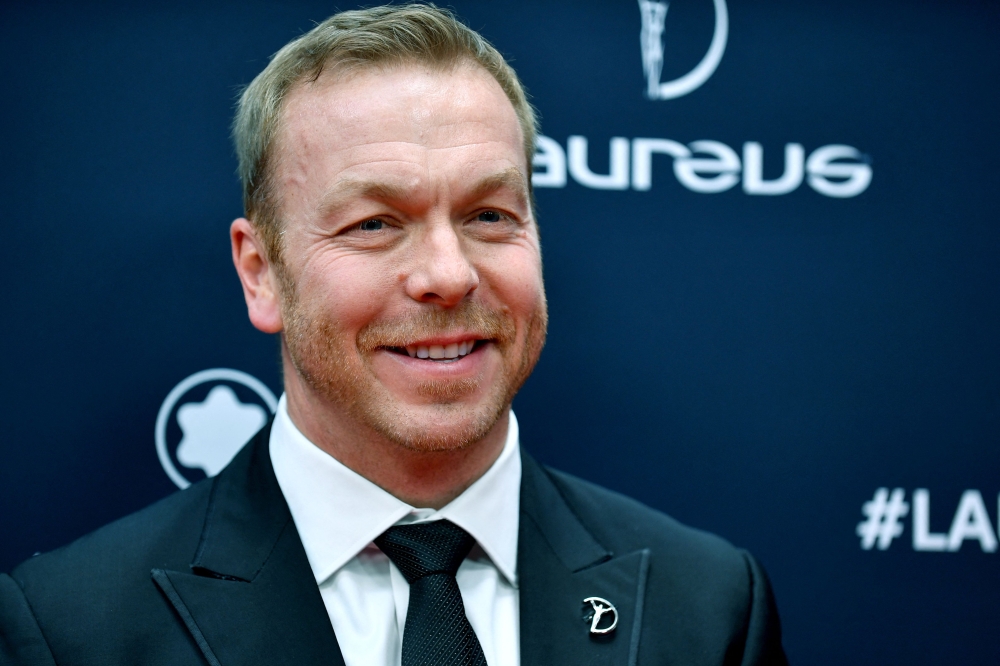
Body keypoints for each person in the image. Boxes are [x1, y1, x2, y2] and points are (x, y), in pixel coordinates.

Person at [0, 5, 788, 665]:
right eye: (375, 223)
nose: (449, 274)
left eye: (489, 216)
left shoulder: (711, 608)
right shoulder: (70, 630)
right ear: (261, 272)